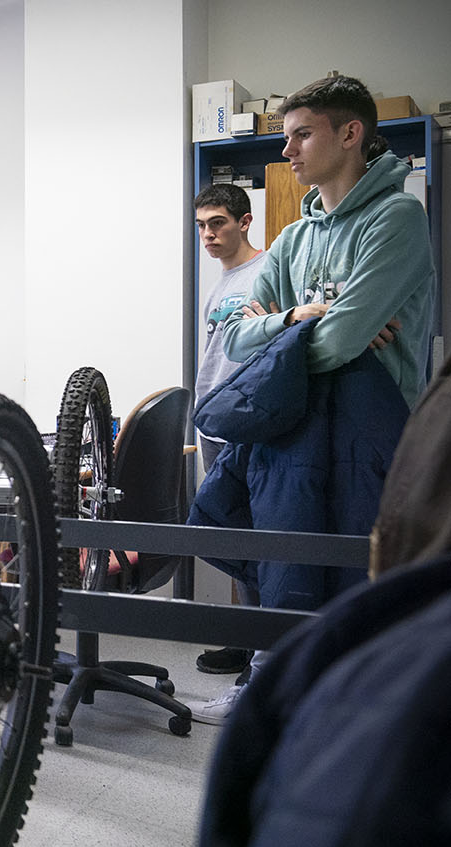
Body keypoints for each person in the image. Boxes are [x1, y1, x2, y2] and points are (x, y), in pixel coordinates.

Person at [186, 74, 434, 724]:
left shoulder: (398, 219)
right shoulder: (294, 238)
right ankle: (266, 690)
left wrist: (298, 330)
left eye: (301, 135)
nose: (287, 149)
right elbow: (235, 336)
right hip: (289, 429)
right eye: (285, 136)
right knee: (278, 558)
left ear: (350, 134)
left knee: (352, 577)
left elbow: (344, 341)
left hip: (369, 434)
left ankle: (344, 716)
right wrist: (300, 317)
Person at [190, 183, 267, 678]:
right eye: (201, 226)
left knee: (260, 539)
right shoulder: (219, 283)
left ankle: (264, 653)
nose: (208, 235)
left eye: (217, 223)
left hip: (247, 422)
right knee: (235, 536)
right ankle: (246, 640)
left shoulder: (267, 269)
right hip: (213, 422)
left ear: (244, 222)